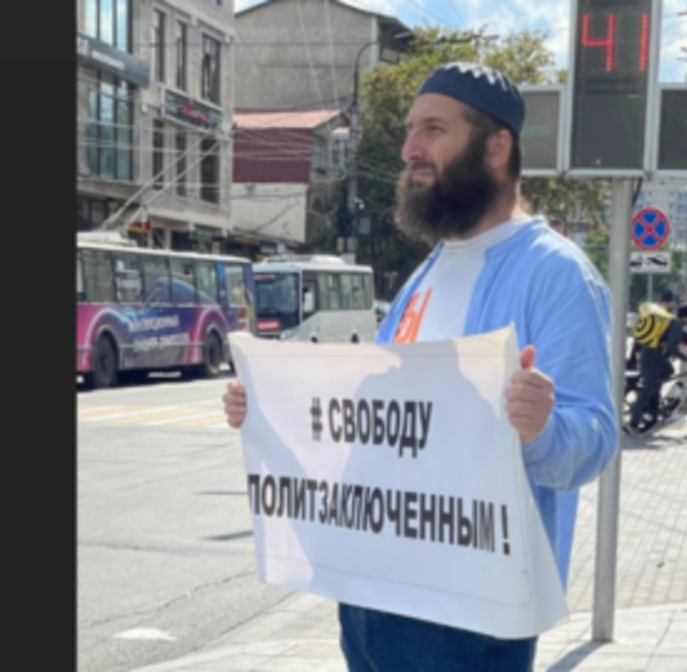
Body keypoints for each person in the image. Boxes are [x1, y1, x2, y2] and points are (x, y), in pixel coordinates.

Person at [223, 62, 616, 671]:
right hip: (374, 599)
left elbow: (593, 438)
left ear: (496, 145)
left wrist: (540, 426)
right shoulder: (429, 272)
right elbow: (377, 417)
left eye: (433, 129)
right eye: (411, 130)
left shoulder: (556, 273)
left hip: (469, 617)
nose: (410, 149)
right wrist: (271, 410)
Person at [627, 293, 687, 434]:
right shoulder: (676, 325)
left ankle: (655, 405)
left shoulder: (675, 323)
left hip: (659, 359)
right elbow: (673, 348)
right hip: (651, 360)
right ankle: (633, 423)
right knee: (648, 389)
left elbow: (684, 337)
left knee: (668, 373)